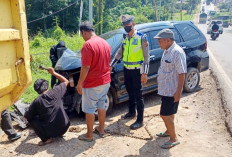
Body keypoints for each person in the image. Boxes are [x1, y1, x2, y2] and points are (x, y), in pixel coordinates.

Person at [110, 15, 150, 130]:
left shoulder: (141, 37)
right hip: (127, 70)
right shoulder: (125, 38)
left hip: (138, 71)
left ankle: (140, 120)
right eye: (124, 25)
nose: (125, 27)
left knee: (138, 94)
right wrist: (111, 65)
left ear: (133, 24)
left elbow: (146, 57)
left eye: (127, 24)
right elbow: (119, 53)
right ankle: (131, 113)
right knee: (130, 92)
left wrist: (145, 73)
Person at [76, 21, 111, 141]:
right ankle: (101, 129)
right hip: (105, 81)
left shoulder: (88, 45)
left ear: (84, 32)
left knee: (89, 109)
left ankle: (89, 135)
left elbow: (85, 67)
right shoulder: (105, 43)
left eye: (82, 35)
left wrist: (79, 83)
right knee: (101, 105)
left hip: (92, 83)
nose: (83, 38)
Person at [154, 29, 187, 149]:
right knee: (170, 113)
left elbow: (182, 73)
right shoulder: (167, 50)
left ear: (168, 40)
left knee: (164, 115)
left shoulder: (177, 52)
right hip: (165, 89)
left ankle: (174, 138)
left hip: (171, 91)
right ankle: (169, 131)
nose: (159, 44)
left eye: (160, 41)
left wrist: (178, 92)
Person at [24, 67, 70, 146]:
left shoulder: (36, 101)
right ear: (48, 87)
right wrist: (53, 73)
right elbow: (66, 81)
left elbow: (26, 117)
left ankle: (46, 139)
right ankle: (59, 133)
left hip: (51, 132)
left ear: (36, 91)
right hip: (64, 127)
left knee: (31, 119)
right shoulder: (57, 91)